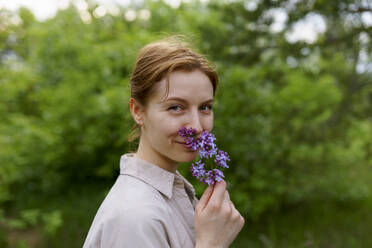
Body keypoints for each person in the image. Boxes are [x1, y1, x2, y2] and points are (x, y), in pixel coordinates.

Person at [83, 37, 245, 248]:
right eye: (176, 107)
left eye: (205, 107)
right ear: (138, 111)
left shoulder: (173, 196)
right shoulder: (134, 217)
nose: (196, 126)